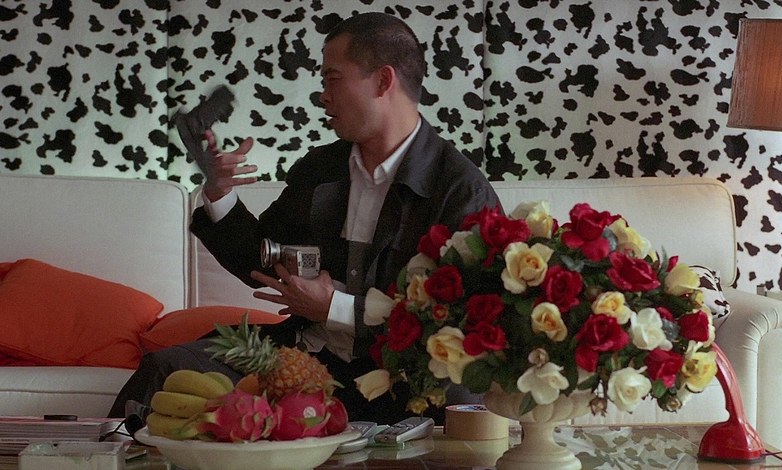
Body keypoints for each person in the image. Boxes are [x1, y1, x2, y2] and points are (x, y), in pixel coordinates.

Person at [109, 12, 500, 425]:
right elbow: (260, 261)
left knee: (457, 403)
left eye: (333, 79)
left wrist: (336, 307)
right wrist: (220, 192)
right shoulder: (322, 168)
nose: (323, 96)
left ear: (383, 81)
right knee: (167, 370)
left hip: (397, 375)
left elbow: (463, 322)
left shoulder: (460, 190)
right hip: (300, 357)